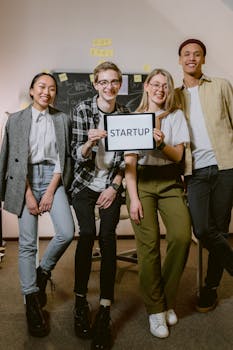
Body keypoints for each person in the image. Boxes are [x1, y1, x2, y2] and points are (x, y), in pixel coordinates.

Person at [0, 72, 75, 337]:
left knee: (67, 232)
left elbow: (63, 158)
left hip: (52, 178)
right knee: (28, 244)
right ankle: (31, 301)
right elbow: (12, 159)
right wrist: (28, 194)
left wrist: (51, 190)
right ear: (31, 91)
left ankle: (43, 272)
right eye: (41, 87)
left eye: (52, 88)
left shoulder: (62, 119)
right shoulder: (16, 120)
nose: (47, 91)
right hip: (25, 180)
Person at [124, 68, 191, 338]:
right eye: (155, 84)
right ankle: (155, 310)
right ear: (147, 87)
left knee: (181, 236)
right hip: (141, 184)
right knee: (148, 245)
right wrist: (134, 199)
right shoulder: (133, 118)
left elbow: (177, 156)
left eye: (165, 85)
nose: (160, 89)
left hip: (170, 182)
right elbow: (129, 162)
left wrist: (162, 145)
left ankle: (167, 300)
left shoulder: (176, 117)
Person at [70, 61, 129, 350]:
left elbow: (129, 159)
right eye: (103, 82)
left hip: (110, 185)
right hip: (84, 184)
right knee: (87, 234)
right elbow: (76, 155)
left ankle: (104, 307)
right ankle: (80, 301)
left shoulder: (125, 114)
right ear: (95, 84)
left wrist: (115, 186)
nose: (109, 87)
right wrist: (89, 143)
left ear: (120, 84)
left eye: (114, 81)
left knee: (107, 237)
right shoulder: (83, 110)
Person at [175, 38, 233, 312]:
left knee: (220, 229)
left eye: (197, 54)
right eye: (186, 54)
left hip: (225, 167)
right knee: (202, 229)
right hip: (194, 171)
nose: (191, 58)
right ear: (180, 60)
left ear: (203, 59)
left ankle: (210, 288)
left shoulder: (221, 86)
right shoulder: (175, 95)